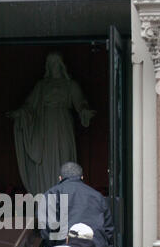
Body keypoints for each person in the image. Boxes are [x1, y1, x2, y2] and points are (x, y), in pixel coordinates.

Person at [8, 52, 96, 195]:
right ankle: (46, 193)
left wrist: (85, 111)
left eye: (56, 63)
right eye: (51, 63)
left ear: (62, 65)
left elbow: (80, 103)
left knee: (64, 156)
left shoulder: (70, 84)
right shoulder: (42, 86)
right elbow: (29, 105)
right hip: (45, 127)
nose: (54, 66)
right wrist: (19, 113)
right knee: (46, 161)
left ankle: (65, 196)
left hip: (63, 124)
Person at [39, 161, 114, 247]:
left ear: (60, 178)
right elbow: (109, 233)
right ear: (82, 177)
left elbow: (44, 232)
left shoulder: (52, 194)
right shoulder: (97, 196)